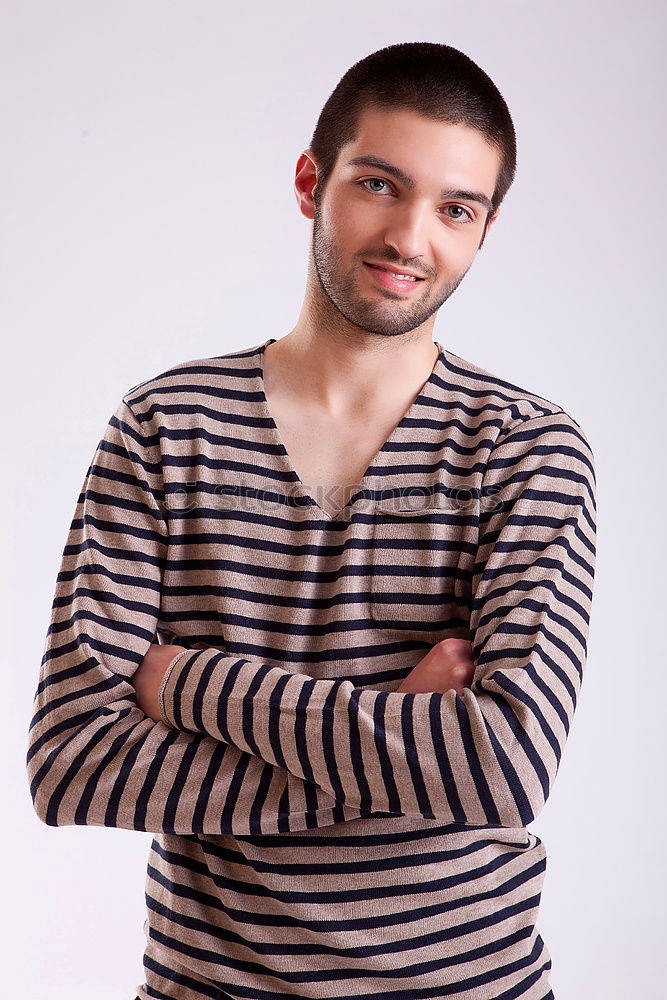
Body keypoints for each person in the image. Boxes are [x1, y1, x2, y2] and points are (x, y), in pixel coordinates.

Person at [26, 41, 596, 1000]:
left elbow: (501, 769)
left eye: (455, 209)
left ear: (485, 228)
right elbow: (72, 764)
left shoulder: (526, 447)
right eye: (379, 184)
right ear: (310, 181)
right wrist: (406, 747)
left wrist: (192, 683)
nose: (411, 239)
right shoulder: (167, 427)